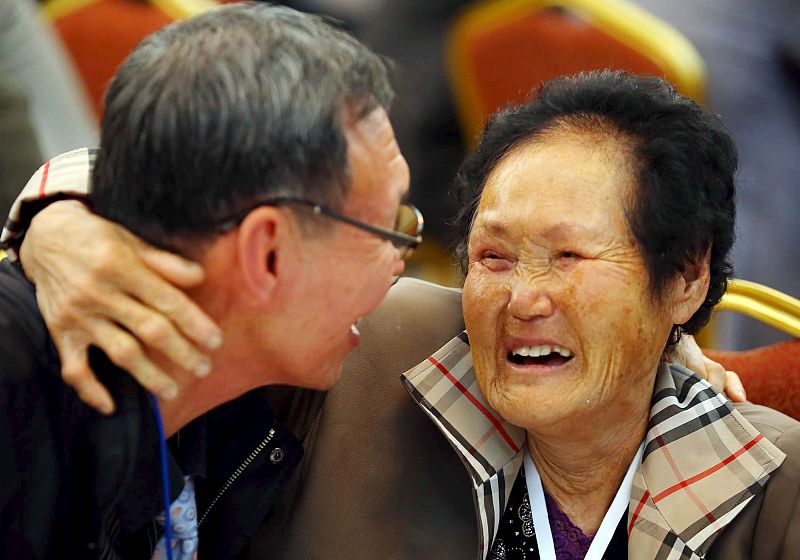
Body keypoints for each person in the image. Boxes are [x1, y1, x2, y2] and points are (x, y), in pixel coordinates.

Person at [0, 3, 422, 559]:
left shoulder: (237, 397)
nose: (402, 259)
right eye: (386, 227)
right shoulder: (16, 386)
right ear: (266, 252)